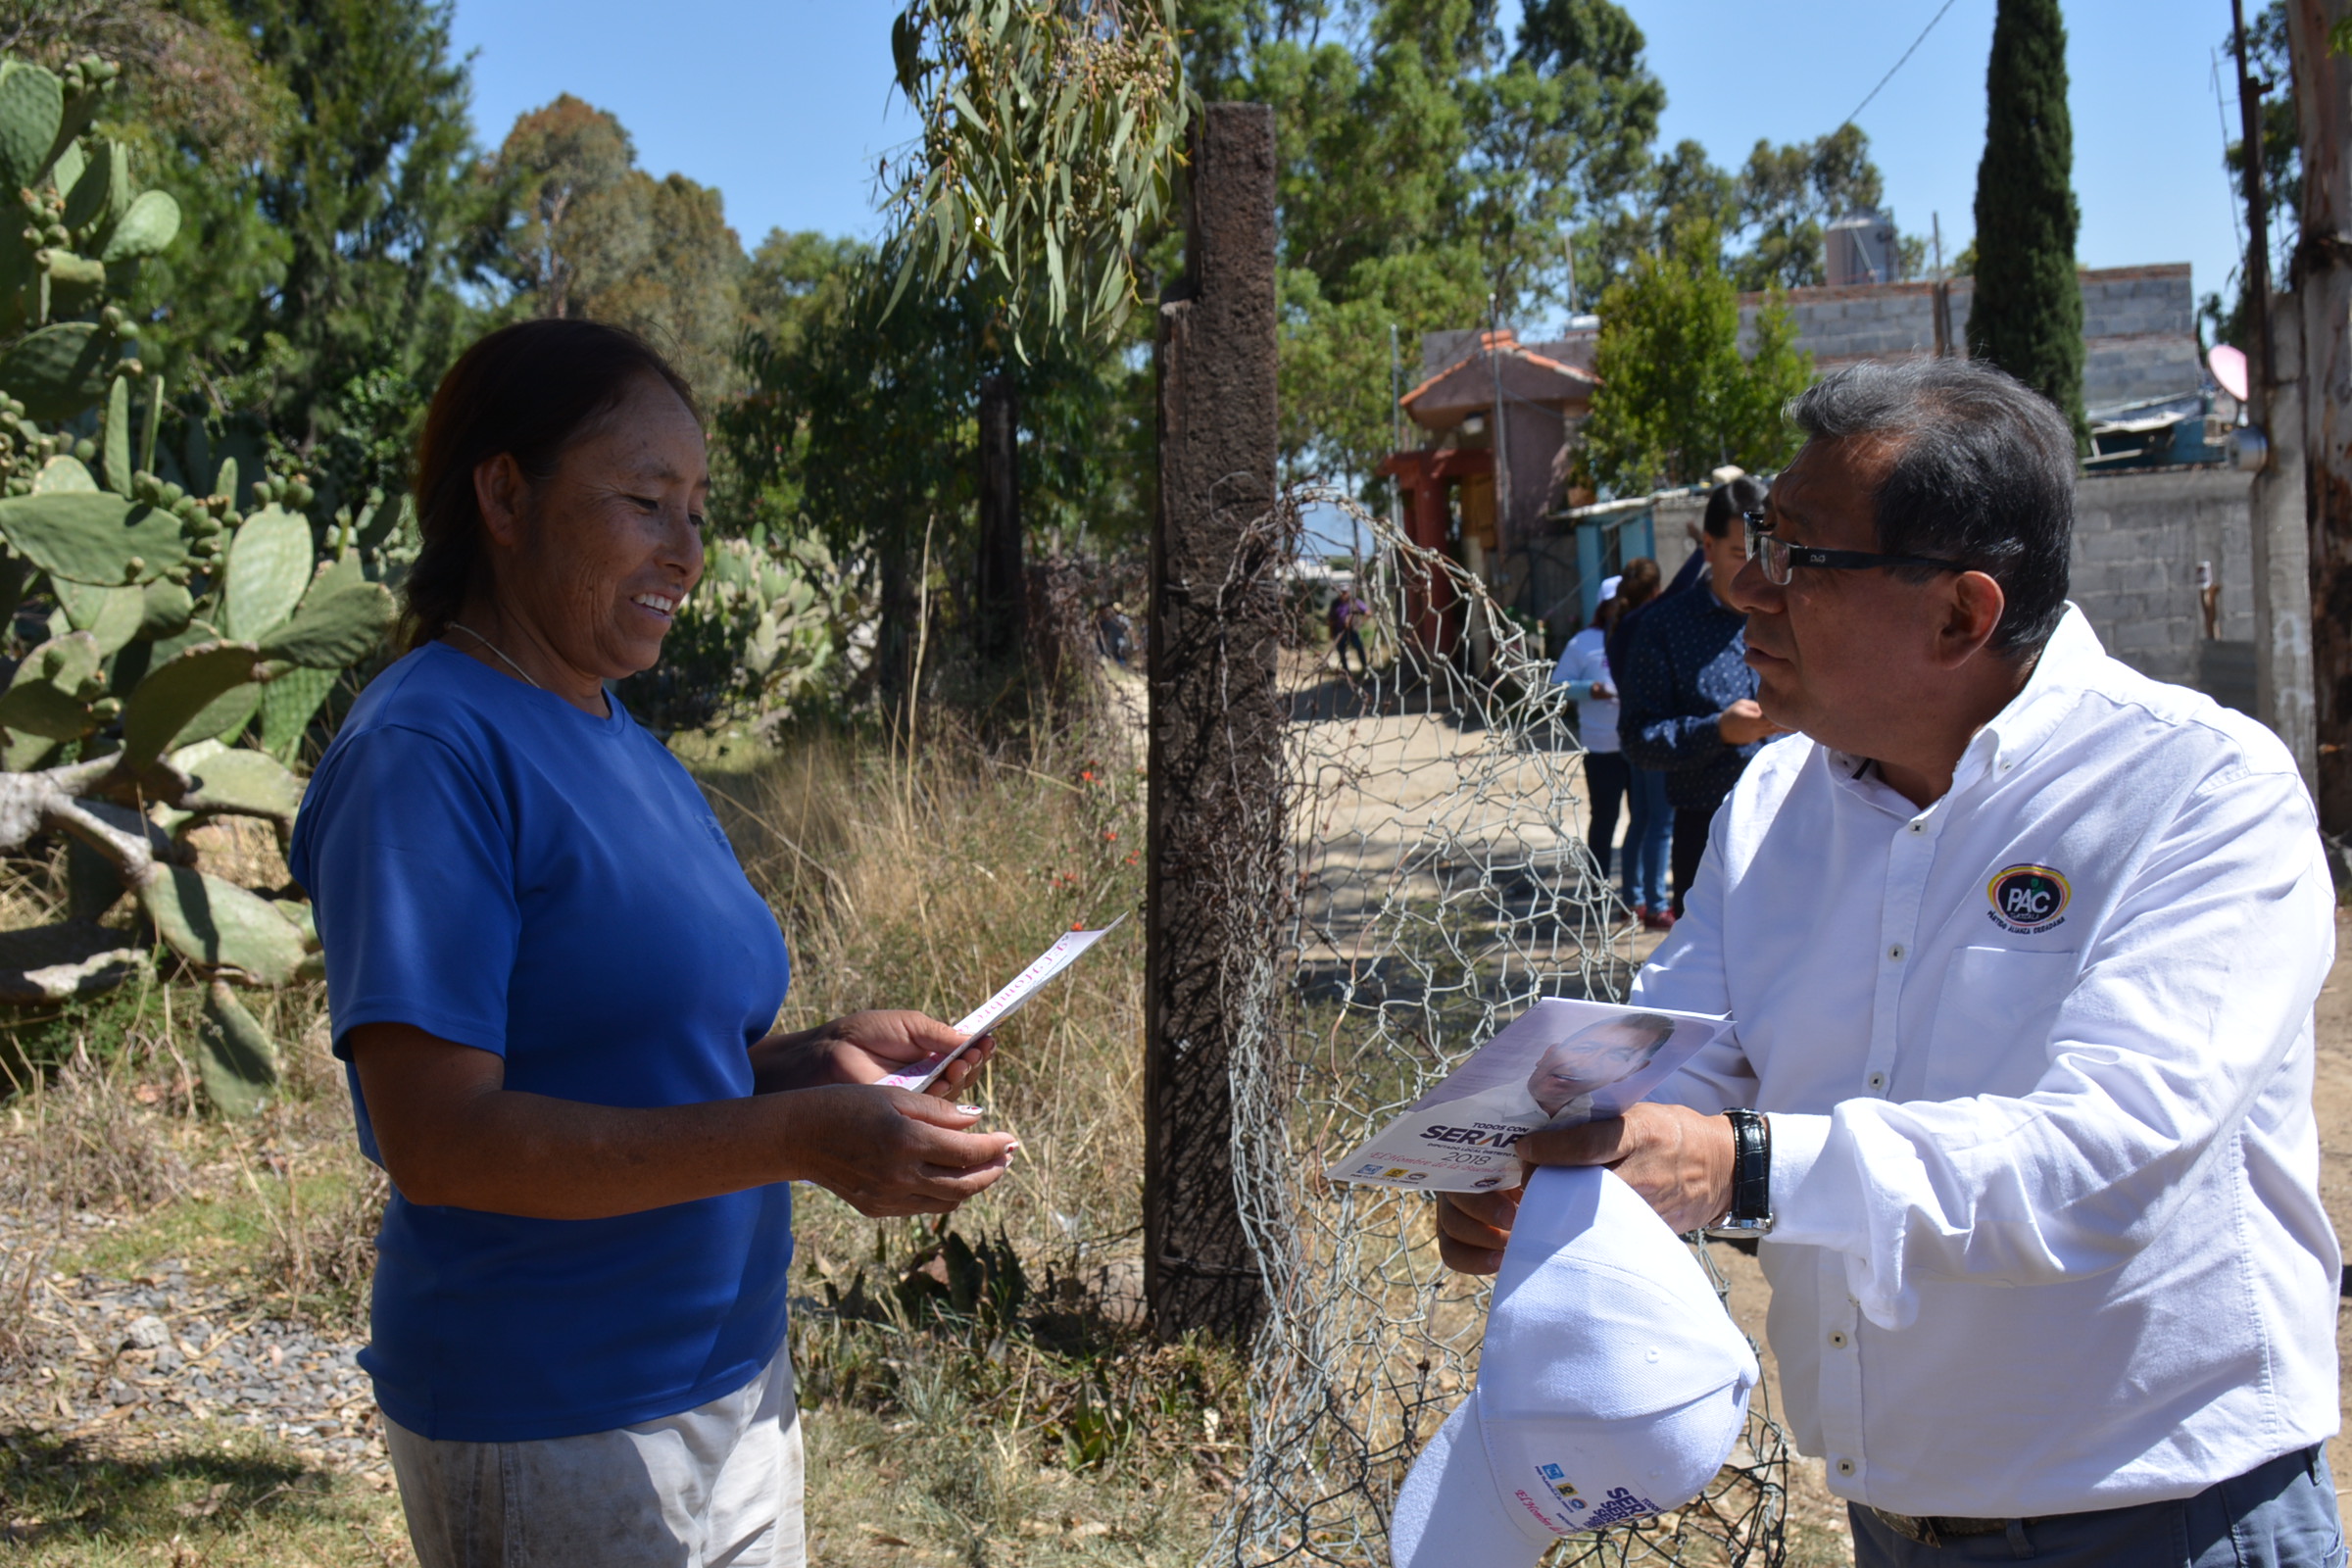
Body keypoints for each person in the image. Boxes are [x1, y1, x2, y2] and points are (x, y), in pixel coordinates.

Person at [1438, 358, 2342, 1566]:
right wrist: (1550, 1164)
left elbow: (2107, 1153)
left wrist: (1735, 1169)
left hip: (2165, 1517)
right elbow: (1689, 1063)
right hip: (1896, 1522)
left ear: (1962, 613)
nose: (1749, 591)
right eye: (1763, 540)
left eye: (1803, 557)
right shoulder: (1774, 806)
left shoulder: (2195, 791)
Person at [287, 319, 1019, 1568]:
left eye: (698, 508)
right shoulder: (428, 752)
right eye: (644, 501)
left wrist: (824, 1063)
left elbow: (658, 1060)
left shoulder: (617, 733)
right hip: (556, 1414)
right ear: (505, 494)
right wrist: (797, 1139)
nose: (689, 551)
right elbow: (440, 1137)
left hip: (727, 1376)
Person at [1617, 476, 1787, 923]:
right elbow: (1637, 738)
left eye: (1764, 552)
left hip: (1799, 822)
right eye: (1738, 554)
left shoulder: (1799, 616)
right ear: (1707, 547)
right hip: (1708, 828)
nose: (1755, 571)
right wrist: (1717, 732)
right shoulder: (1664, 629)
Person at [1558, 560, 1667, 924]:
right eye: (1610, 603)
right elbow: (1556, 685)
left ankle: (1631, 896)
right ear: (1602, 606)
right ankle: (1598, 889)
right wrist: (1588, 689)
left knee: (1641, 820)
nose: (1615, 607)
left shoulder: (1640, 633)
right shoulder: (1582, 643)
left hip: (1634, 746)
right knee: (1605, 820)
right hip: (1601, 747)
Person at [1328, 585, 1371, 676]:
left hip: (1352, 630)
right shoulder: (1335, 603)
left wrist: (1360, 623)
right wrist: (1331, 632)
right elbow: (1330, 619)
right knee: (1341, 651)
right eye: (1342, 592)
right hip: (1339, 631)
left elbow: (1367, 612)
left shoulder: (1354, 602)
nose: (1344, 594)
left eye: (1345, 592)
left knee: (1359, 647)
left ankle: (1365, 668)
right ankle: (1346, 672)